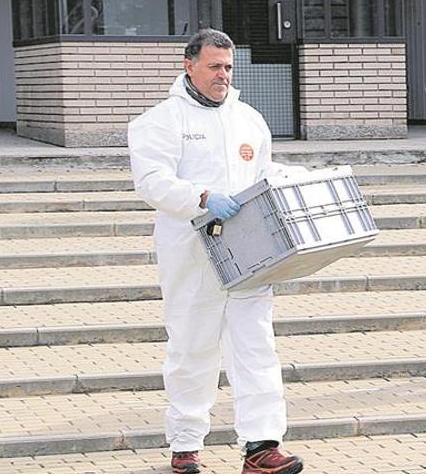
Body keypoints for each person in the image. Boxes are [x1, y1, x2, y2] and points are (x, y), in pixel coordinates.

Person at [128, 28, 303, 474]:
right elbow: (152, 182)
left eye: (227, 67)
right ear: (189, 66)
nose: (222, 75)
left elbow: (262, 171)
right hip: (192, 252)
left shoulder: (248, 119)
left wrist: (296, 177)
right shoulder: (160, 121)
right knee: (192, 348)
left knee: (257, 347)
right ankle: (186, 446)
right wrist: (202, 197)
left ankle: (262, 447)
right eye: (213, 66)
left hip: (250, 252)